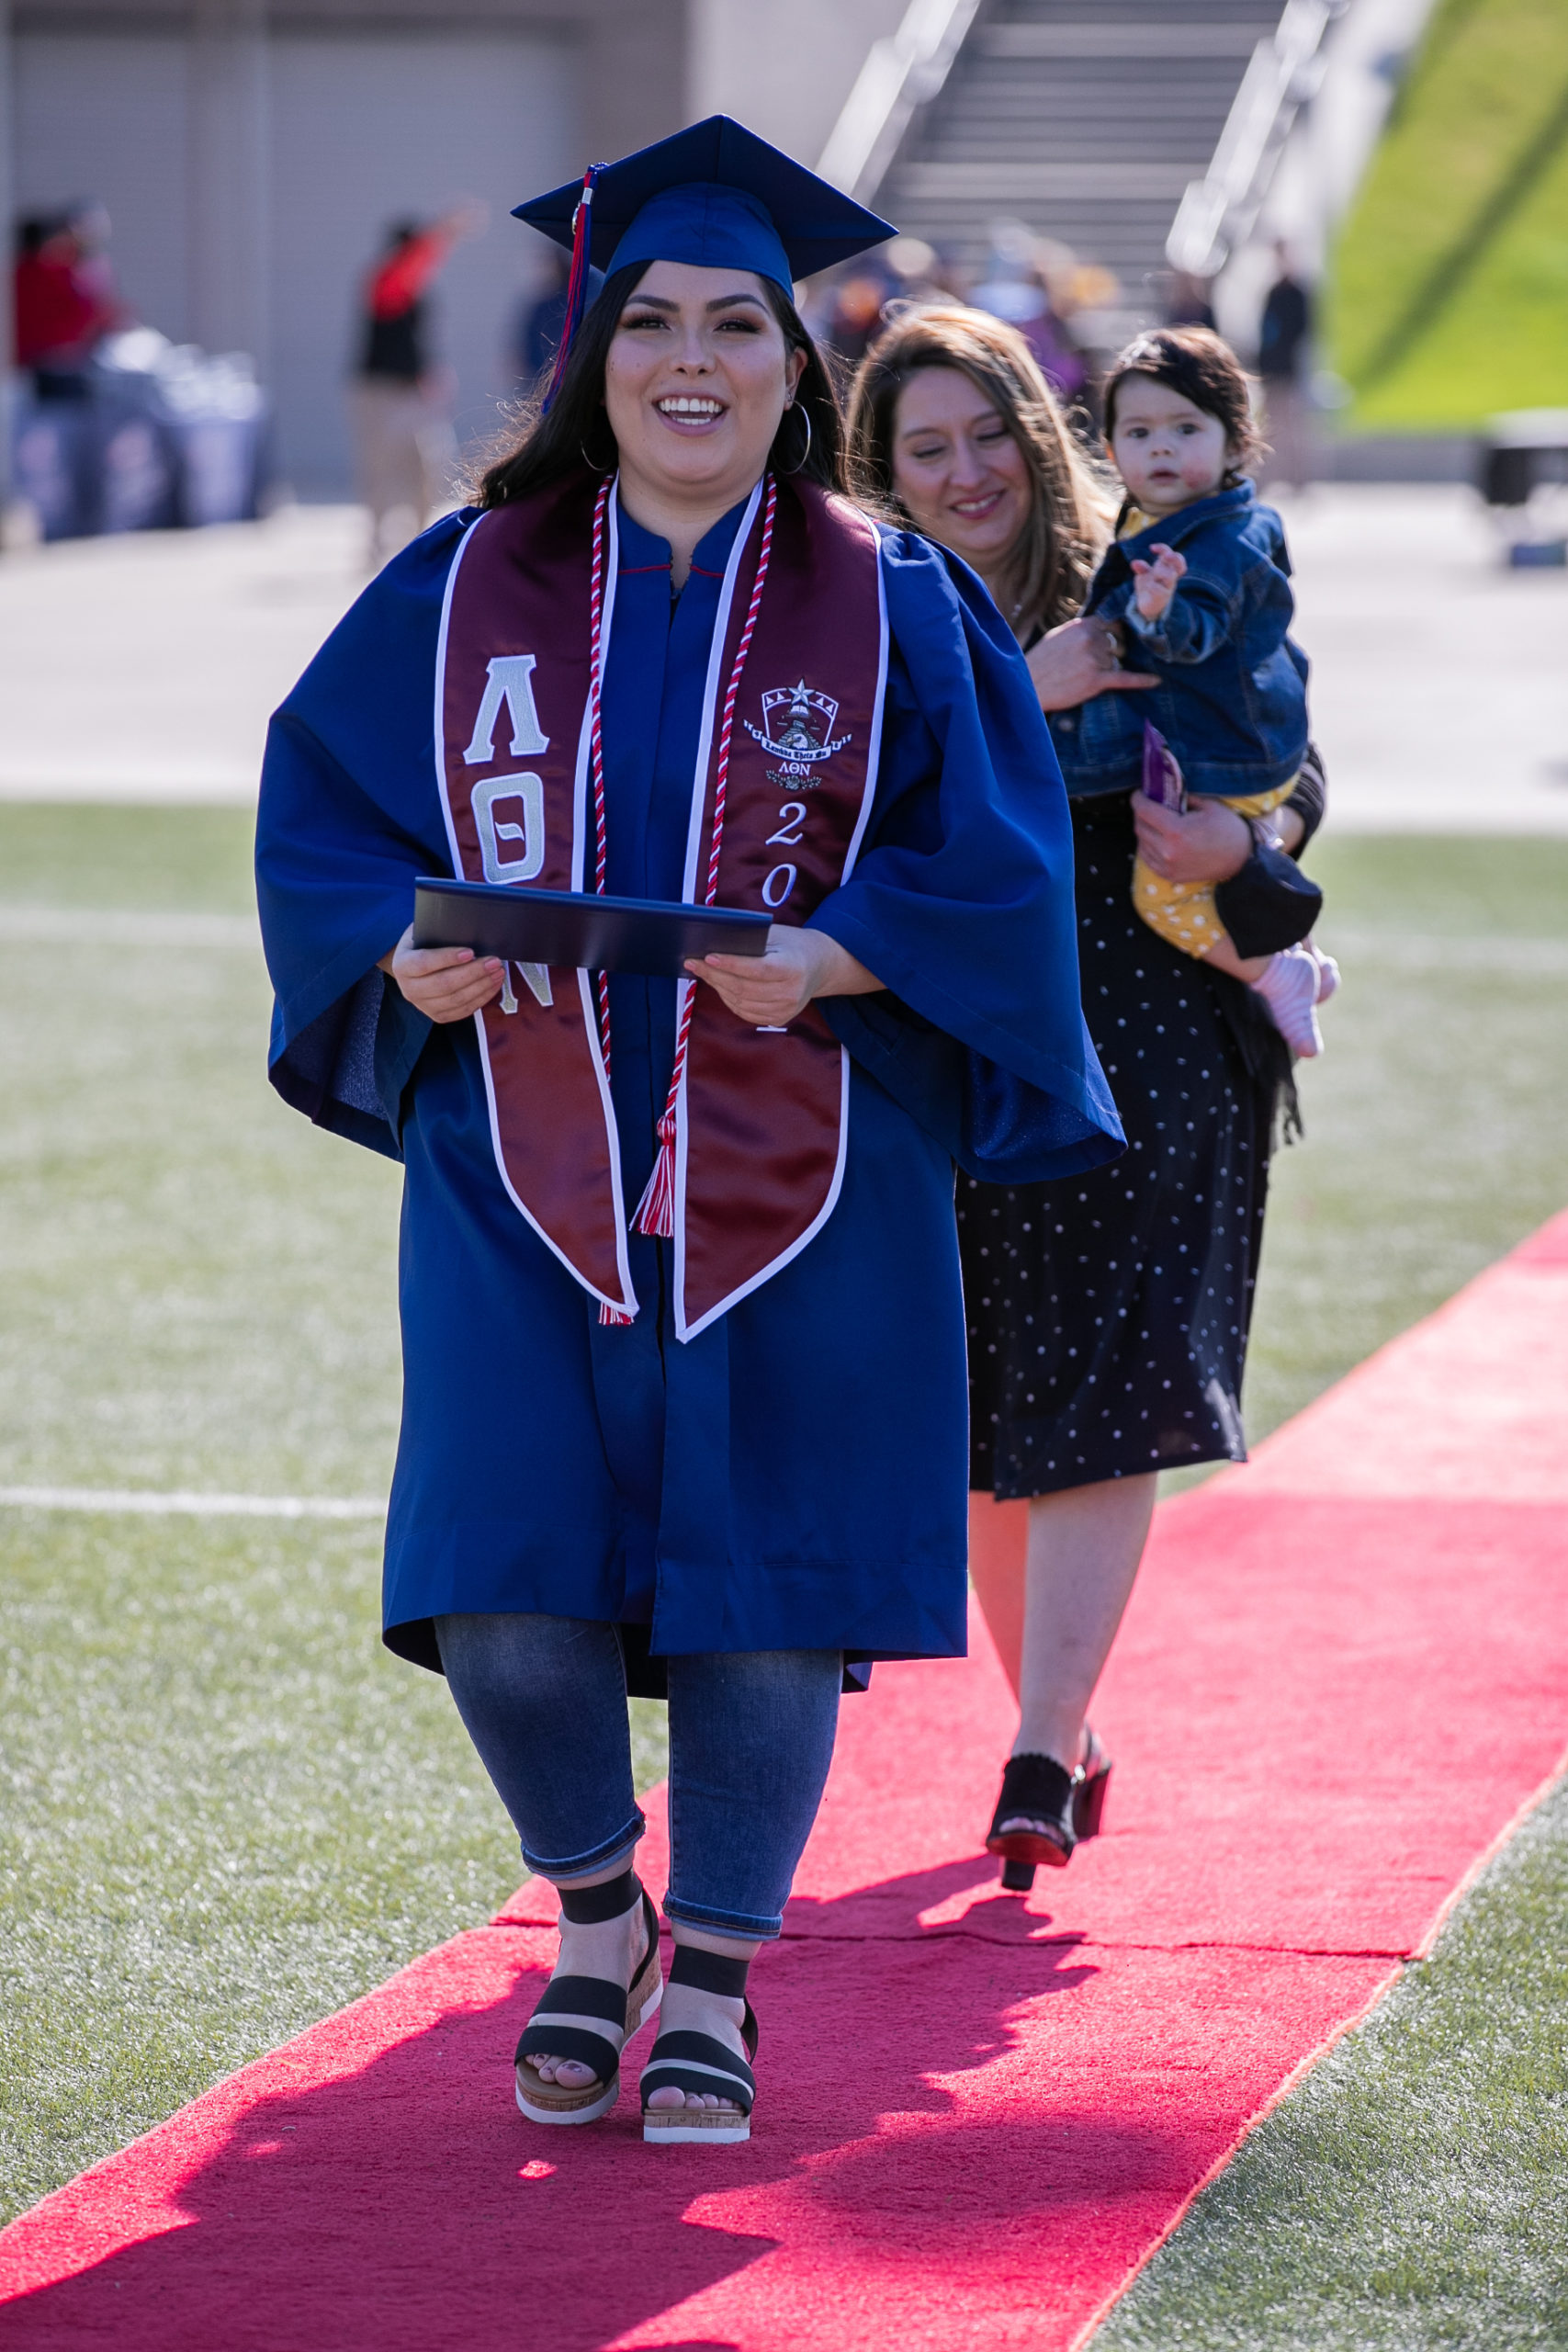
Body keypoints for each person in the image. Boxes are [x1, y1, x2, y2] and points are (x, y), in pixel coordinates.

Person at [257, 119, 1122, 2147]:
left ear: (790, 363)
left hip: (805, 1163)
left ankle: (713, 1970)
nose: (693, 359)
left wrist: (839, 955)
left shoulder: (893, 594)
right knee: (499, 1580)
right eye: (651, 320)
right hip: (523, 1156)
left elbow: (994, 868)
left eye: (738, 322)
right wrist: (400, 948)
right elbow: (328, 816)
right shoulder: (465, 582)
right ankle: (594, 1907)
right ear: (593, 353)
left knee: (771, 1584)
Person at [847, 304, 1327, 1888]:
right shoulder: (853, 614)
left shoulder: (1142, 572)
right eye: (928, 447)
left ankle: (1042, 1742)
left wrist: (1251, 866)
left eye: (991, 432)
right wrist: (1017, 693)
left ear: (1043, 438)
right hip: (942, 1056)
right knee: (975, 1423)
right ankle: (1065, 1725)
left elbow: (1288, 761)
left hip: (1149, 1031)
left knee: (1109, 1384)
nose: (967, 468)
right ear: (887, 472)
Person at [1085, 326, 1337, 1057]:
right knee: (1204, 874)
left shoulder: (1219, 541)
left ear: (1236, 445)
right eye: (1138, 432)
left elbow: (1197, 629)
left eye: (1184, 428)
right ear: (1110, 452)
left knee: (1161, 897)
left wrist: (1157, 614)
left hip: (1232, 759)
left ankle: (1276, 970)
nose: (1160, 448)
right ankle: (1297, 947)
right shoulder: (1169, 522)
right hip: (1236, 746)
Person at [348, 202, 484, 566]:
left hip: (414, 394)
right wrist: (445, 232)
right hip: (382, 394)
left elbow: (416, 342)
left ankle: (419, 544)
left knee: (431, 469)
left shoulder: (415, 290)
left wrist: (431, 373)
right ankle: (376, 547)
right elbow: (407, 271)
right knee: (381, 474)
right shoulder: (384, 281)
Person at [13, 203, 126, 401]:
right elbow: (83, 313)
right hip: (57, 360)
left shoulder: (15, 272)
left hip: (25, 361)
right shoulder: (53, 272)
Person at [1257, 242, 1314, 492]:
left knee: (1292, 426)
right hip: (1271, 368)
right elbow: (1265, 331)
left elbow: (1302, 331)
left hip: (1288, 369)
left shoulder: (1298, 292)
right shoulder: (1272, 291)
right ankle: (1271, 477)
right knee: (1270, 425)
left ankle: (1298, 479)